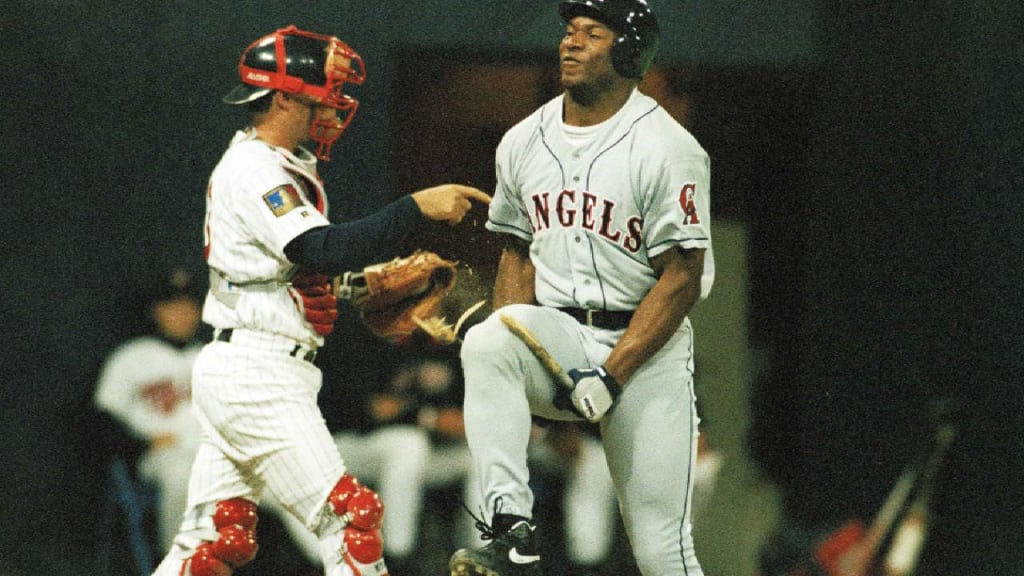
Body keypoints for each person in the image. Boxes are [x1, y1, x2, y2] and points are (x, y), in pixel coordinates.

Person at [152, 25, 489, 576]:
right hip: (258, 374)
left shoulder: (274, 162)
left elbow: (287, 272)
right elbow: (317, 248)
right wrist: (413, 209)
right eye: (325, 95)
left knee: (210, 545)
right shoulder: (256, 167)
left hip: (250, 364)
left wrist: (359, 286)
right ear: (283, 97)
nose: (335, 107)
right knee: (351, 521)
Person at [448, 1, 713, 575]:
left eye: (592, 33)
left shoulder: (668, 148)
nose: (570, 42)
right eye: (570, 32)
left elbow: (682, 277)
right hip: (561, 332)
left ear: (629, 51)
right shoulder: (523, 140)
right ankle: (511, 534)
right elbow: (517, 254)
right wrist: (521, 375)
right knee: (489, 338)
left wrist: (612, 375)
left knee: (661, 550)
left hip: (646, 348)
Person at [94, 267, 204, 554]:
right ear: (156, 311)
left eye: (189, 305)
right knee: (184, 477)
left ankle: (319, 561)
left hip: (215, 450)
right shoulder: (131, 357)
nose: (183, 313)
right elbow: (102, 420)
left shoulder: (212, 355)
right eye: (172, 306)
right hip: (166, 455)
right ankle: (184, 568)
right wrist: (140, 445)